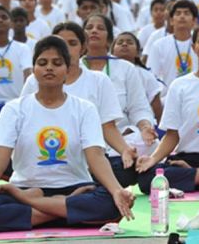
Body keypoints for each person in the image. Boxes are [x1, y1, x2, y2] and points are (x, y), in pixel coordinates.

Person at [0, 36, 136, 233]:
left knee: (111, 203)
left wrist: (117, 190)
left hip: (75, 187)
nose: (49, 68)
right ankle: (65, 212)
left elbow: (96, 156)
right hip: (29, 187)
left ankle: (33, 206)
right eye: (43, 63)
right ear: (34, 70)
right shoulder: (14, 109)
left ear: (67, 71)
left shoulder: (85, 109)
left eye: (57, 63)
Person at [21, 22, 139, 187]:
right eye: (60, 43)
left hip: (90, 160)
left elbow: (108, 126)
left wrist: (125, 150)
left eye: (72, 43)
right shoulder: (35, 80)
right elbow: (25, 125)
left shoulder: (99, 80)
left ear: (84, 47)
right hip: (45, 159)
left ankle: (45, 199)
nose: (66, 48)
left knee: (130, 169)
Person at [136, 22, 199, 194]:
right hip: (189, 158)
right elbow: (172, 135)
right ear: (194, 47)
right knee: (147, 178)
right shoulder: (180, 85)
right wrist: (153, 159)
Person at [82, 14, 156, 156]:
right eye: (89, 28)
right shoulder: (73, 68)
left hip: (120, 137)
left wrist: (145, 127)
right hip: (83, 139)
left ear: (109, 39)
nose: (94, 31)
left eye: (100, 28)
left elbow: (139, 108)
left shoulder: (126, 68)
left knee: (150, 144)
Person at [111, 32, 164, 123]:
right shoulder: (105, 72)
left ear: (138, 53)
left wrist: (160, 128)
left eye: (130, 42)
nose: (124, 44)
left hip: (141, 126)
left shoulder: (146, 75)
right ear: (111, 52)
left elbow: (156, 104)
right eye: (120, 43)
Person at [148, 0, 199, 90]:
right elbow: (151, 77)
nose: (182, 16)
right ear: (171, 20)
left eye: (186, 13)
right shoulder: (159, 45)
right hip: (167, 98)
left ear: (194, 21)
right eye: (178, 13)